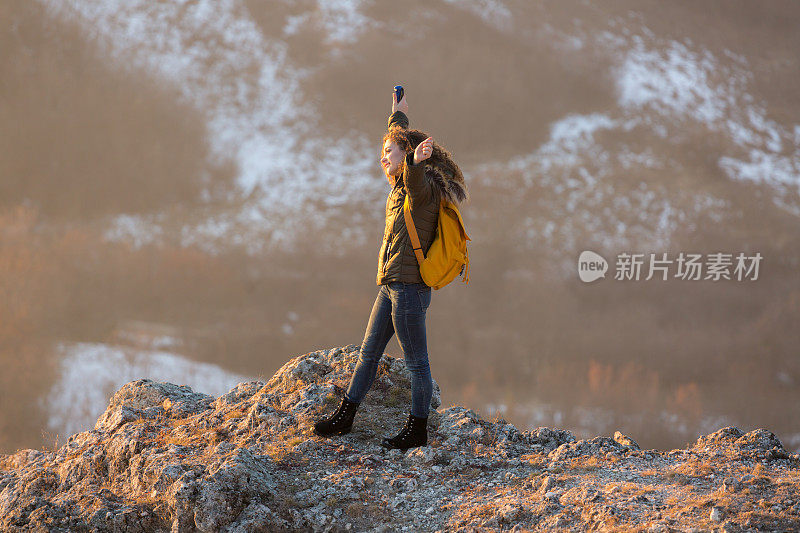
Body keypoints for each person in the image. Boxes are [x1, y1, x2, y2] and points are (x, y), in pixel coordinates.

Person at [313, 89, 468, 452]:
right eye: (383, 152)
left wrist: (414, 160)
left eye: (389, 153)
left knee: (417, 364)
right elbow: (400, 151)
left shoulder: (421, 188)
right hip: (391, 285)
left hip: (409, 290)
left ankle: (417, 430)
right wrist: (396, 118)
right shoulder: (400, 185)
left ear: (409, 158)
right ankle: (345, 416)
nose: (383, 158)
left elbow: (413, 173)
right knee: (368, 354)